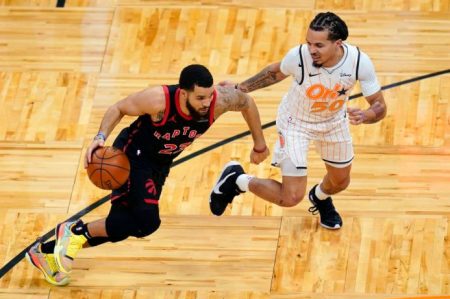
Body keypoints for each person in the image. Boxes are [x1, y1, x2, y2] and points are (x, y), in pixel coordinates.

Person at [25, 64, 270, 285]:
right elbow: (118, 107)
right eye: (200, 98)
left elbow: (247, 103)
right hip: (133, 155)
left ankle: (45, 252)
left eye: (209, 96)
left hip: (160, 164)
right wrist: (99, 138)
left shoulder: (221, 100)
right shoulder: (158, 100)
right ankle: (74, 233)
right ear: (183, 93)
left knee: (122, 227)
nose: (207, 103)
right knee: (147, 222)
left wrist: (259, 143)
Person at [209, 12, 387, 230]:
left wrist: (368, 115)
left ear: (338, 44)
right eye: (309, 43)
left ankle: (320, 197)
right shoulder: (300, 57)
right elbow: (273, 73)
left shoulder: (359, 62)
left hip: (333, 123)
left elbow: (379, 106)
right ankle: (238, 180)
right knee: (291, 197)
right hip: (296, 123)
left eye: (319, 45)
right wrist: (239, 89)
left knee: (340, 182)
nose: (312, 50)